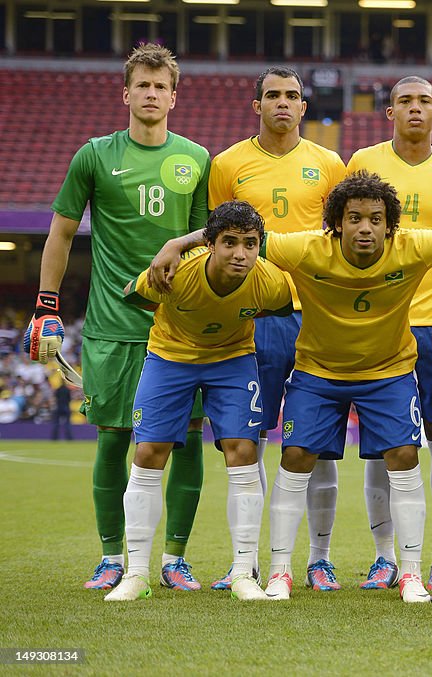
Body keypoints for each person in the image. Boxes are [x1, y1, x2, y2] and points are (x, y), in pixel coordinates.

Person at [147, 171, 432, 602]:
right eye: (354, 218)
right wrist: (180, 243)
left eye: (375, 218)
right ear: (337, 221)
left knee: (405, 454)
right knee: (295, 454)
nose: (365, 228)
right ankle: (280, 571)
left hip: (388, 373)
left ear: (389, 224)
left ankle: (410, 574)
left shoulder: (412, 245)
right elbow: (237, 231)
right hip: (318, 372)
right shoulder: (305, 248)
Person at [26, 43, 210, 591]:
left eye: (160, 86)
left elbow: (206, 238)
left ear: (174, 97)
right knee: (112, 438)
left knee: (188, 440)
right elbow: (60, 234)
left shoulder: (197, 158)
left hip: (180, 328)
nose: (151, 94)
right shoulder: (94, 155)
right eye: (142, 85)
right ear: (125, 92)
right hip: (112, 326)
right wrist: (46, 307)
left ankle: (175, 556)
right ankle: (111, 556)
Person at [105, 201, 292, 602]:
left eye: (250, 244)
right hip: (171, 358)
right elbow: (131, 294)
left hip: (232, 360)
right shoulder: (177, 271)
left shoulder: (271, 282)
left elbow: (279, 308)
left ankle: (244, 573)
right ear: (209, 244)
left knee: (243, 450)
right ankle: (136, 574)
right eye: (229, 243)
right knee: (150, 451)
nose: (240, 254)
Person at [207, 66, 347, 592]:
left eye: (292, 96)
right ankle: (247, 560)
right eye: (273, 95)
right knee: (250, 440)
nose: (283, 103)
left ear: (304, 107)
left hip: (314, 314)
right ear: (256, 104)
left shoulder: (329, 163)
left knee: (320, 442)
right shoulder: (227, 164)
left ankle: (319, 558)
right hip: (255, 317)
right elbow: (217, 238)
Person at [346, 76, 432, 592]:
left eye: (425, 102)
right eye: (405, 102)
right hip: (381, 324)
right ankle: (384, 556)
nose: (415, 109)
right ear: (388, 111)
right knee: (381, 445)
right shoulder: (362, 164)